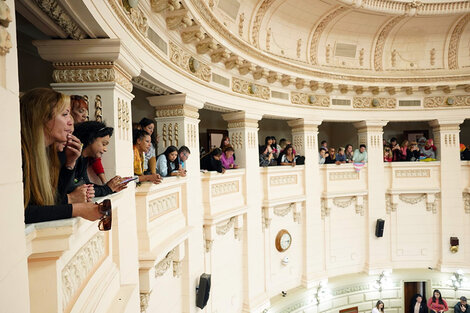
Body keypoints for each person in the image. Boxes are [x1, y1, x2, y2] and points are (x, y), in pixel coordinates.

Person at [20, 88, 105, 224]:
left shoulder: (47, 154)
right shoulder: (20, 155)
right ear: (42, 118)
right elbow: (20, 212)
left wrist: (69, 164)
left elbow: (51, 200)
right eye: (65, 114)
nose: (71, 122)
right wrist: (77, 209)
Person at [73, 121, 130, 197]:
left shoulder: (84, 159)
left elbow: (86, 185)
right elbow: (75, 189)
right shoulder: (72, 157)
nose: (105, 149)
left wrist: (112, 187)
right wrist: (107, 189)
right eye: (103, 144)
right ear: (90, 139)